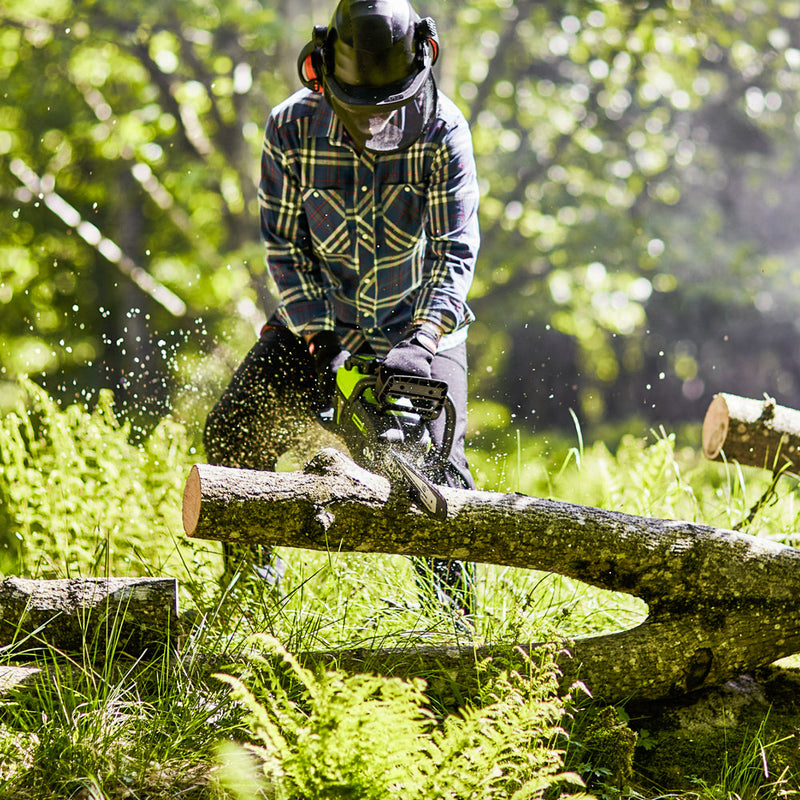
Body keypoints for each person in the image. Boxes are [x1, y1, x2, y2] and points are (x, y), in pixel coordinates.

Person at [203, 0, 480, 618]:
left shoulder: (443, 132)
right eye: (361, 110)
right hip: (319, 320)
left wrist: (422, 340)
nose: (376, 122)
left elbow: (455, 251)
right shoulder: (290, 128)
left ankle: (454, 630)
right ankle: (252, 604)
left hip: (415, 326)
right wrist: (319, 337)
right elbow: (284, 247)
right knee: (233, 429)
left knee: (439, 477)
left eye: (388, 107)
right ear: (323, 73)